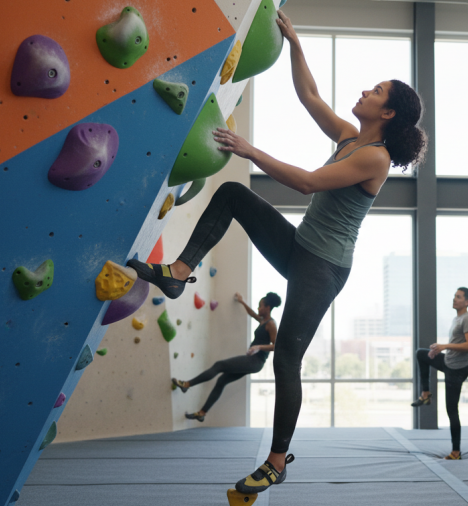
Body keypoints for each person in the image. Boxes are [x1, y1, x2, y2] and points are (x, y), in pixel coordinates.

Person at [126, 9, 427, 495]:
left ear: (388, 113)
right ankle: (180, 272)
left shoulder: (375, 157)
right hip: (300, 247)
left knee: (287, 359)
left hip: (323, 268)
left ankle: (276, 460)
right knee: (232, 196)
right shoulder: (351, 138)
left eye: (375, 91)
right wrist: (296, 44)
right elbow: (309, 96)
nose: (365, 92)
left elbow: (308, 184)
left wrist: (250, 150)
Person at [172, 292, 281, 422]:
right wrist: (241, 301)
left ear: (268, 308)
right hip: (253, 362)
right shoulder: (263, 320)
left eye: (260, 306)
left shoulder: (271, 324)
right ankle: (201, 413)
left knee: (219, 365)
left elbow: (276, 346)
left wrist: (258, 347)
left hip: (256, 361)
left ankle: (187, 384)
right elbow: (253, 314)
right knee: (222, 381)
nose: (258, 308)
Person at [411, 288, 468, 460]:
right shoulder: (458, 318)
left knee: (451, 410)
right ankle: (426, 394)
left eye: (459, 297)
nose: (454, 299)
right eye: (455, 296)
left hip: (456, 369)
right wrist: (438, 350)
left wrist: (445, 346)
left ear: (467, 302)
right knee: (421, 354)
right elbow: (458, 343)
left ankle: (456, 452)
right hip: (448, 361)